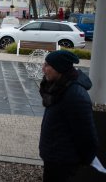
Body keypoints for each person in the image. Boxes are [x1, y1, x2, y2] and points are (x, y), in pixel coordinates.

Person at [39, 50, 98, 182]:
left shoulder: (75, 95)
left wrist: (86, 158)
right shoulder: (57, 87)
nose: (43, 69)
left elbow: (86, 134)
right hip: (53, 157)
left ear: (60, 69)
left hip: (63, 161)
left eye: (47, 65)